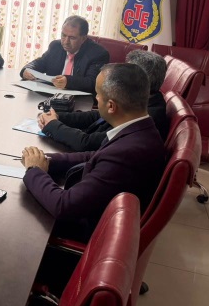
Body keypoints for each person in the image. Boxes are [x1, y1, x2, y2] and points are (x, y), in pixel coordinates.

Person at [22, 63, 166, 243]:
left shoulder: (128, 153)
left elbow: (64, 206)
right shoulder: (138, 128)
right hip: (96, 212)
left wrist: (35, 170)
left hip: (91, 233)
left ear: (111, 106)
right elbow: (93, 156)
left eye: (98, 94)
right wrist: (47, 159)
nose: (96, 99)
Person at [38, 49, 170, 151]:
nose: (118, 73)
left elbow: (88, 143)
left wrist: (54, 126)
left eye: (124, 71)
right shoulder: (142, 99)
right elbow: (97, 116)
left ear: (139, 79)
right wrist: (58, 117)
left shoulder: (147, 117)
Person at [19, 15, 109, 93]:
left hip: (79, 100)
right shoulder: (56, 46)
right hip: (51, 96)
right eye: (63, 35)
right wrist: (27, 70)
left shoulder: (98, 54)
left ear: (83, 38)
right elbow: (40, 63)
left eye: (72, 38)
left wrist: (68, 82)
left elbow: (93, 82)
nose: (66, 42)